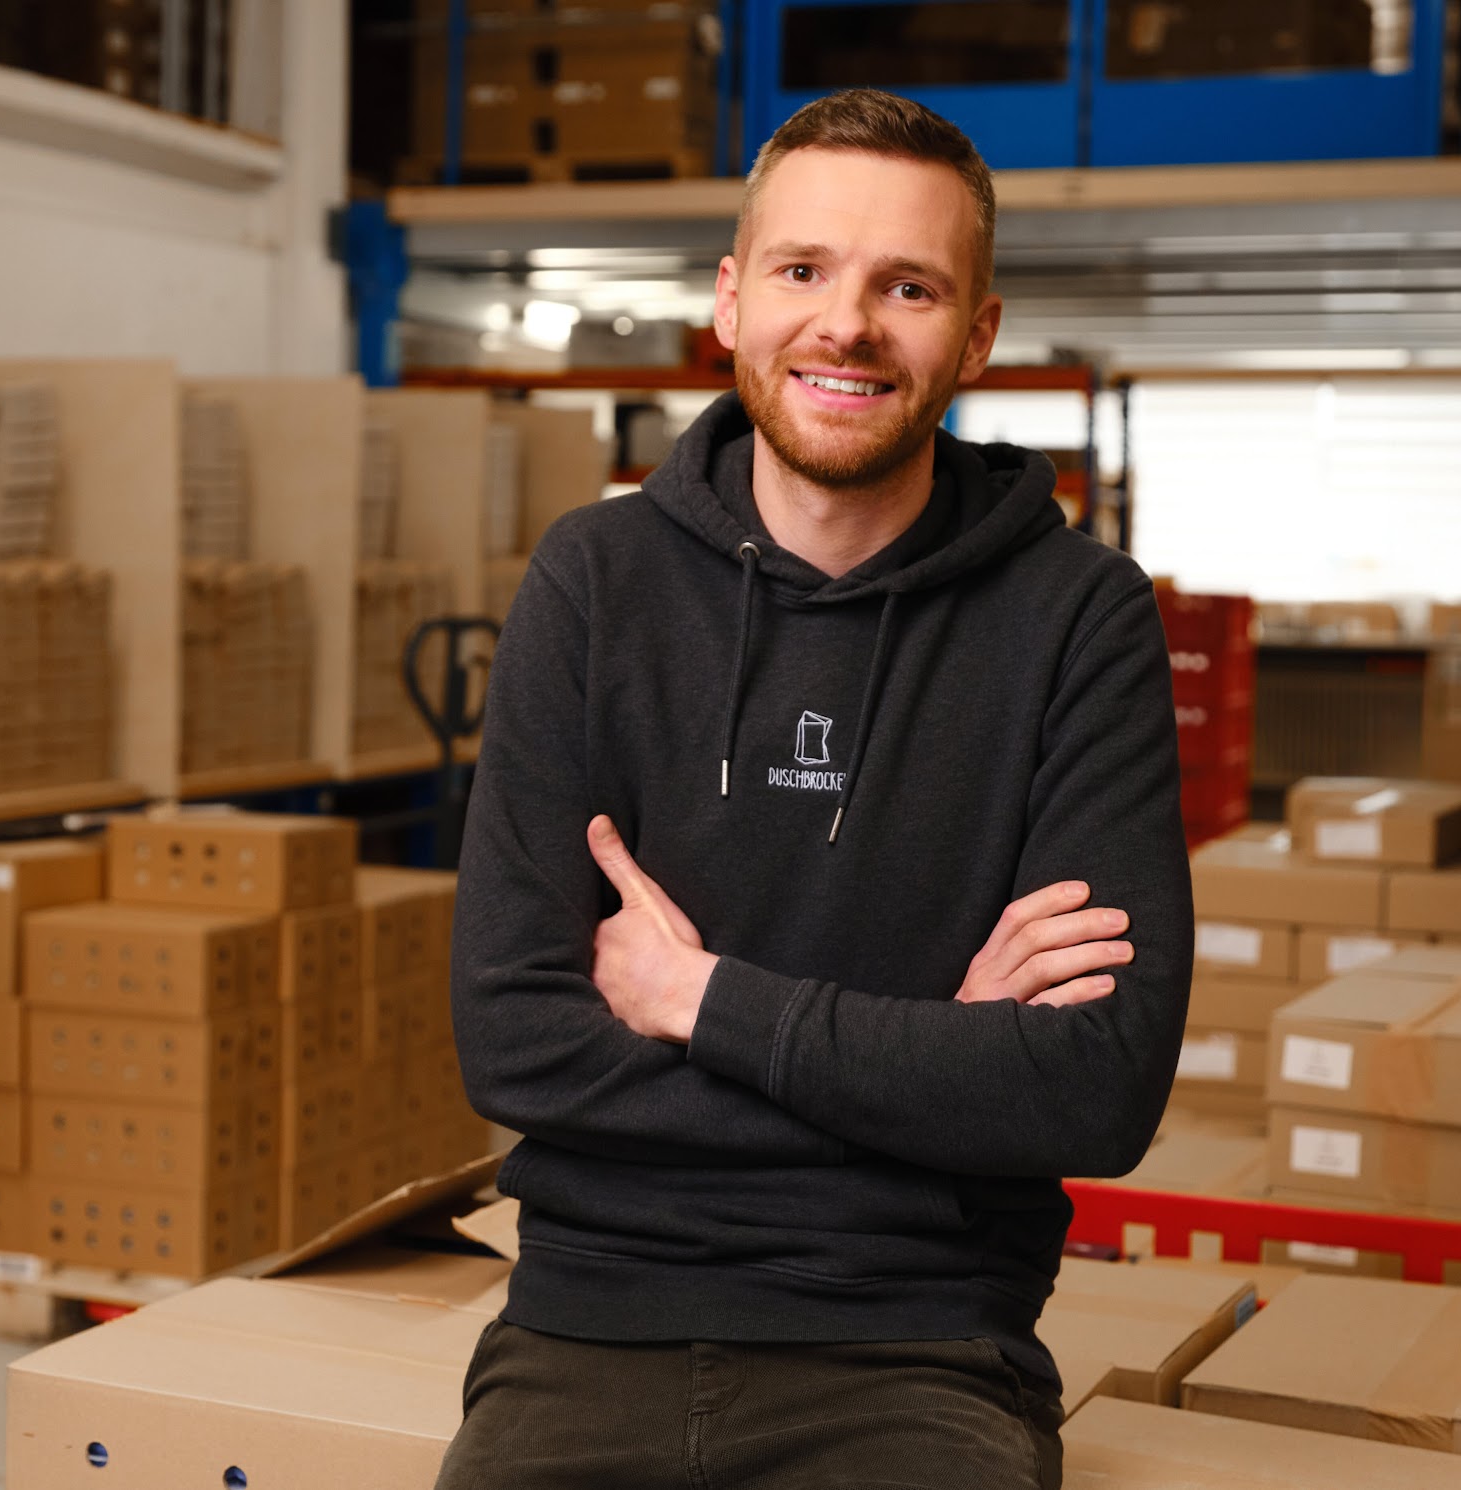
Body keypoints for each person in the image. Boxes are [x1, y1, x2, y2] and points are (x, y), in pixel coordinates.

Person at [441, 88, 1192, 1490]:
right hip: (589, 1322)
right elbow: (513, 1040)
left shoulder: (1077, 619)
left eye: (903, 286)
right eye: (801, 271)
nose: (844, 324)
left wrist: (699, 1000)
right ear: (728, 302)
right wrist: (934, 1061)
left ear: (973, 332)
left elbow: (1094, 1088)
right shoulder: (592, 584)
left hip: (917, 1348)